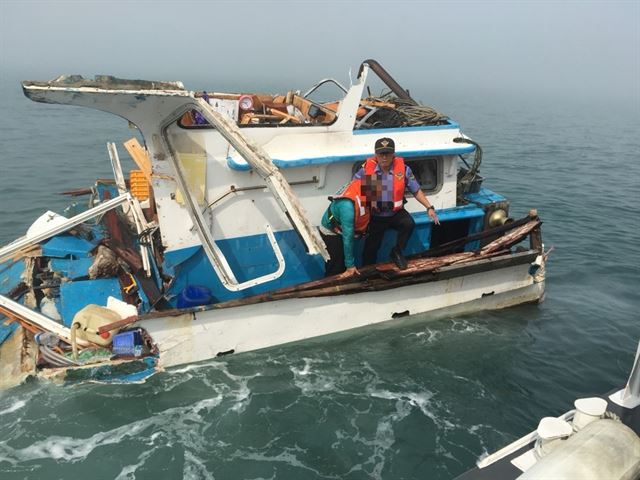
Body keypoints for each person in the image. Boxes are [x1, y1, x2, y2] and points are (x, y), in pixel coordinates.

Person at [353, 137, 440, 270]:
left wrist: (429, 207)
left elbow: (416, 190)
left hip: (395, 213)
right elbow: (354, 189)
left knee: (409, 224)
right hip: (376, 216)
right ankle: (367, 270)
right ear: (376, 154)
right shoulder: (366, 170)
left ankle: (397, 251)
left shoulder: (403, 170)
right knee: (371, 246)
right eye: (381, 154)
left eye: (387, 154)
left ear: (393, 154)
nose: (384, 157)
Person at [319, 175, 379, 278]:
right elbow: (348, 237)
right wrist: (350, 265)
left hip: (347, 227)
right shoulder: (347, 206)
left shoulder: (368, 191)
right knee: (336, 266)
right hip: (332, 231)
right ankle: (332, 284)